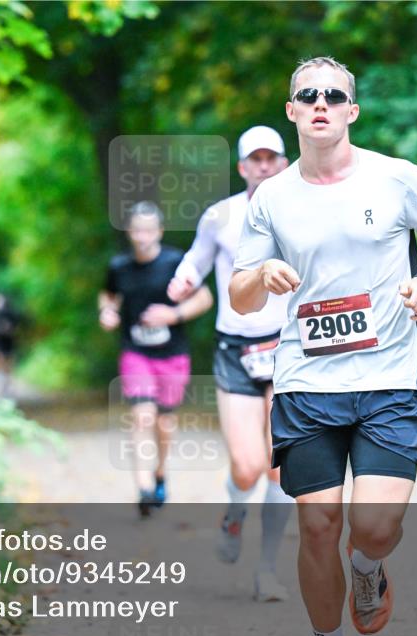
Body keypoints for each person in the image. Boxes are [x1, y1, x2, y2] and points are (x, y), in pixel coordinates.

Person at [229, 56, 417, 636]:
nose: (320, 103)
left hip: (388, 375)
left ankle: (369, 568)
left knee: (375, 527)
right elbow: (238, 292)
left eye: (333, 96)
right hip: (306, 380)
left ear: (350, 111)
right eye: (307, 94)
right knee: (317, 526)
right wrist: (261, 273)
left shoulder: (395, 177)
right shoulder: (271, 199)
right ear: (291, 111)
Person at [167, 126, 296, 602]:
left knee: (282, 468)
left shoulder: (303, 210)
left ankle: (267, 571)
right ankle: (234, 512)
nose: (264, 165)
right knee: (247, 467)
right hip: (236, 350)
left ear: (284, 162)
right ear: (242, 167)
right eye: (255, 159)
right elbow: (195, 262)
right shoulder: (220, 216)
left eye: (272, 157)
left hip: (289, 347)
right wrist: (182, 281)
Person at [99, 201, 214, 517]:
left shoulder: (175, 263)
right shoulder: (119, 266)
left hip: (172, 355)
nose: (142, 236)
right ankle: (144, 485)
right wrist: (107, 312)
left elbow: (205, 298)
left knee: (165, 421)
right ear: (129, 232)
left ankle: (160, 471)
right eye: (137, 230)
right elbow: (108, 295)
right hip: (135, 353)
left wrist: (172, 314)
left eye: (149, 230)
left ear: (159, 232)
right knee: (142, 415)